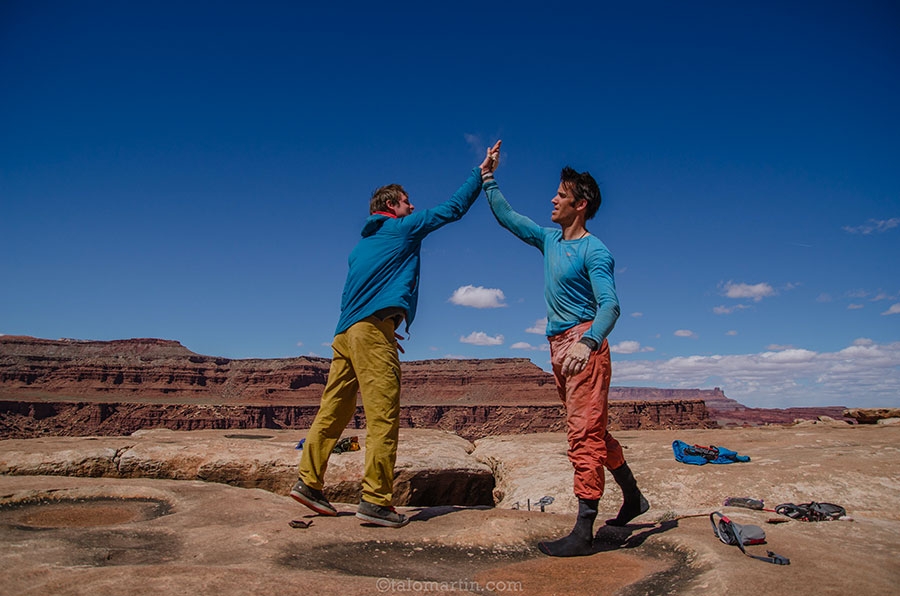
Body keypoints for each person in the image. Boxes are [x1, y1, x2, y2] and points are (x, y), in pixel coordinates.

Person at [291, 141, 501, 528]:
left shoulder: (361, 246)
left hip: (346, 333)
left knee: (333, 411)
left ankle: (308, 482)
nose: (412, 206)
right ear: (392, 207)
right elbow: (452, 209)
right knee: (383, 416)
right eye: (407, 201)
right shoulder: (402, 229)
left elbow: (356, 293)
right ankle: (375, 500)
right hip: (370, 333)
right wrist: (482, 171)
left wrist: (383, 322)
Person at [481, 143, 649, 556]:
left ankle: (584, 531)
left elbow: (610, 305)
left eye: (560, 194)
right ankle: (633, 497)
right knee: (593, 429)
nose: (552, 199)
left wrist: (589, 343)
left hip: (583, 345)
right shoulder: (550, 240)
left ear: (582, 204)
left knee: (582, 435)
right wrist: (488, 177)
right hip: (557, 346)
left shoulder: (595, 250)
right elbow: (509, 219)